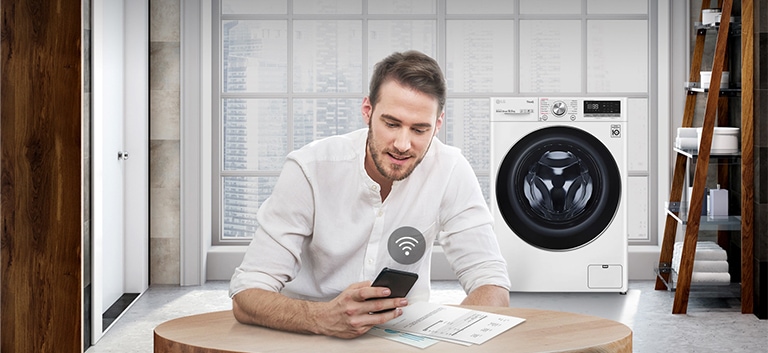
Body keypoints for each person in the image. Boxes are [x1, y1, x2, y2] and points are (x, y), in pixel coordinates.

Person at [229, 50, 510, 339]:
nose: (403, 144)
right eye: (391, 124)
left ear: (437, 125)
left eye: (419, 129)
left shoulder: (450, 169)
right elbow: (247, 294)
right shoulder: (309, 168)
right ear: (367, 111)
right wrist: (320, 318)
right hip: (310, 334)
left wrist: (452, 340)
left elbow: (491, 282)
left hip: (403, 338)